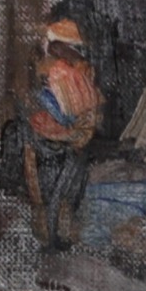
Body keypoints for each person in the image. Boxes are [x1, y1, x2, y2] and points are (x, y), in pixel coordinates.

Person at [21, 18, 102, 249]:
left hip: (64, 137)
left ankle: (54, 233)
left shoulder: (65, 73)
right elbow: (79, 112)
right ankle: (53, 233)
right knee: (57, 191)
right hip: (61, 138)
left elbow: (76, 112)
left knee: (59, 190)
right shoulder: (64, 73)